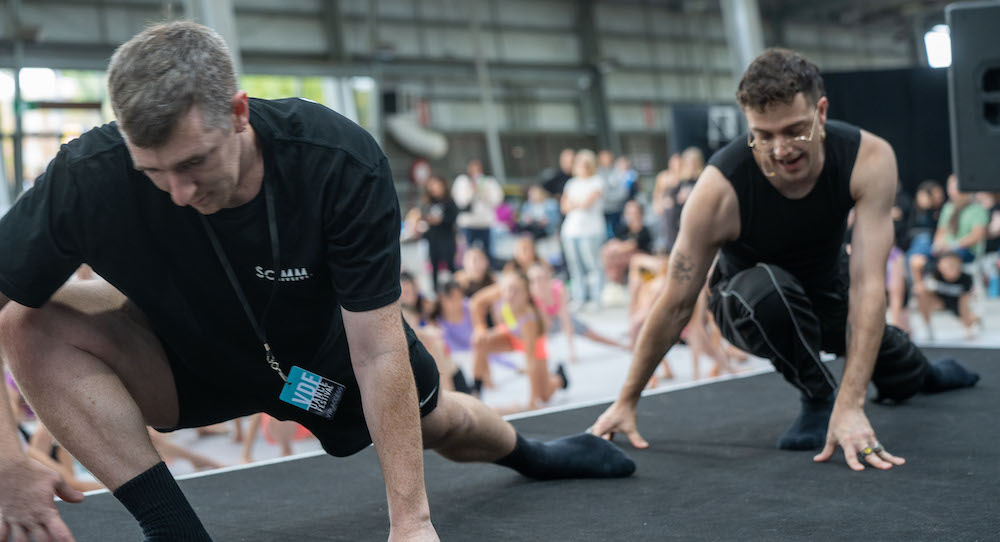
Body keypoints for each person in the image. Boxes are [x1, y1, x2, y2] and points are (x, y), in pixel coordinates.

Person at [0, 22, 634, 542]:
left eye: (194, 163)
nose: (180, 191)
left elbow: (378, 347)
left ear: (239, 112)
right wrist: (4, 463)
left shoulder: (336, 162)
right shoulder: (85, 178)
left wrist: (411, 524)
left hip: (324, 352)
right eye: (154, 172)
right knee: (25, 322)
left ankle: (533, 453)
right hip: (181, 352)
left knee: (443, 423)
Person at [591, 48, 978, 472]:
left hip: (828, 290)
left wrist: (854, 405)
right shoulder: (718, 191)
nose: (780, 149)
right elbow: (676, 301)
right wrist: (627, 399)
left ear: (821, 111)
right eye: (764, 134)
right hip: (748, 303)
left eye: (795, 130)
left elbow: (869, 285)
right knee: (766, 288)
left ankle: (924, 373)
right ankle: (817, 396)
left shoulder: (868, 158)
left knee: (898, 373)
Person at [470, 270, 568, 410]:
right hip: (511, 334)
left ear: (526, 294)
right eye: (507, 289)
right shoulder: (502, 292)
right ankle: (476, 393)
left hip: (533, 344)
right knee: (480, 342)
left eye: (516, 291)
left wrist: (532, 401)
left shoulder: (529, 319)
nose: (510, 295)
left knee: (544, 395)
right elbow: (476, 302)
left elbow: (530, 360)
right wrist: (480, 327)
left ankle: (559, 379)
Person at [910, 174, 988, 294]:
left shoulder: (977, 209)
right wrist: (937, 245)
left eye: (954, 187)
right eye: (949, 187)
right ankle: (923, 294)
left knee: (947, 263)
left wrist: (953, 245)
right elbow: (941, 232)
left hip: (966, 251)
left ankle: (951, 296)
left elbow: (977, 236)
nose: (951, 191)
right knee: (916, 260)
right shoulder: (948, 208)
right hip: (945, 249)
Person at [561, 149, 606, 310]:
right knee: (575, 266)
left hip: (591, 231)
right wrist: (576, 204)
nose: (583, 167)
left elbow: (587, 204)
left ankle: (596, 297)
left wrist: (575, 203)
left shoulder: (597, 181)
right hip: (570, 231)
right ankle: (579, 297)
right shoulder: (571, 183)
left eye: (586, 164)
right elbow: (564, 206)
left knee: (592, 265)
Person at [915, 252, 980, 340]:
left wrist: (967, 328)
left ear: (959, 264)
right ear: (939, 266)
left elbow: (963, 302)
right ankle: (927, 327)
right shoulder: (933, 272)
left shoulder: (966, 278)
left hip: (957, 303)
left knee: (970, 320)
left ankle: (977, 319)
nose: (950, 268)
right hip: (939, 301)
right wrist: (918, 281)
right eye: (947, 266)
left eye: (953, 265)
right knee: (921, 292)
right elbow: (916, 262)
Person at [452, 158, 504, 265]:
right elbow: (460, 201)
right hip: (468, 223)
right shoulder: (462, 181)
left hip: (485, 222)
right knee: (469, 253)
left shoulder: (489, 181)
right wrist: (471, 190)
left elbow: (497, 200)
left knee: (488, 252)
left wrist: (483, 192)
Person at [420, 174, 459, 293]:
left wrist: (441, 220)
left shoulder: (449, 201)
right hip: (433, 238)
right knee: (434, 264)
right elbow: (423, 216)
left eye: (437, 184)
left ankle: (455, 288)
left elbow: (453, 216)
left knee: (450, 264)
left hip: (447, 238)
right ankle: (435, 290)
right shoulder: (428, 202)